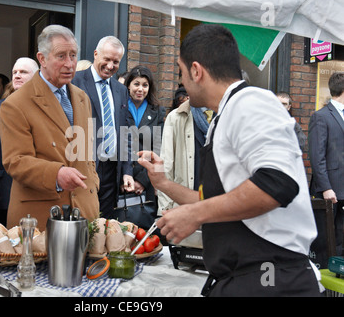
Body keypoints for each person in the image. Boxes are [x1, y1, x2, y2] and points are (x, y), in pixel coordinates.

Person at [138, 24, 321, 296]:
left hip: (272, 281)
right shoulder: (222, 116)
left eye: (181, 71)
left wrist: (194, 215)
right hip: (241, 280)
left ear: (197, 71)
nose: (182, 82)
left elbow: (278, 182)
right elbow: (216, 201)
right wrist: (163, 183)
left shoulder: (252, 103)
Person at [0, 25, 99, 231]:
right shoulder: (15, 103)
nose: (70, 64)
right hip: (39, 220)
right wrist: (56, 174)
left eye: (73, 55)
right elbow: (15, 161)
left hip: (83, 213)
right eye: (61, 56)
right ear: (42, 59)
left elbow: (86, 151)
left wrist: (93, 183)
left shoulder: (82, 98)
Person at [72, 36, 134, 219]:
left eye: (116, 61)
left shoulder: (121, 90)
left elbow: (124, 132)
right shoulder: (75, 82)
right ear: (95, 54)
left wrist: (127, 171)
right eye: (106, 59)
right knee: (82, 222)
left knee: (104, 226)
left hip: (111, 172)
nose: (110, 65)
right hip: (83, 168)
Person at [0, 57, 38, 225]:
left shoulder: (47, 109)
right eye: (14, 72)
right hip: (4, 190)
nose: (17, 75)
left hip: (37, 192)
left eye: (23, 72)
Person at [158, 86, 212, 214]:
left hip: (218, 207)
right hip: (183, 205)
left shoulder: (226, 116)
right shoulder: (175, 117)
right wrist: (165, 209)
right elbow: (166, 164)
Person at [309, 72, 344, 256]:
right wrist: (325, 187)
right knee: (326, 240)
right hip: (330, 188)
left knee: (340, 238)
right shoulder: (321, 116)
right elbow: (316, 155)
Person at [124, 65, 165, 208]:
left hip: (145, 179)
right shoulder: (119, 107)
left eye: (145, 85)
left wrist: (142, 180)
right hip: (121, 178)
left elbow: (158, 148)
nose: (140, 89)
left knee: (143, 228)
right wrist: (125, 175)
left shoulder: (157, 111)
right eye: (136, 84)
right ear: (128, 85)